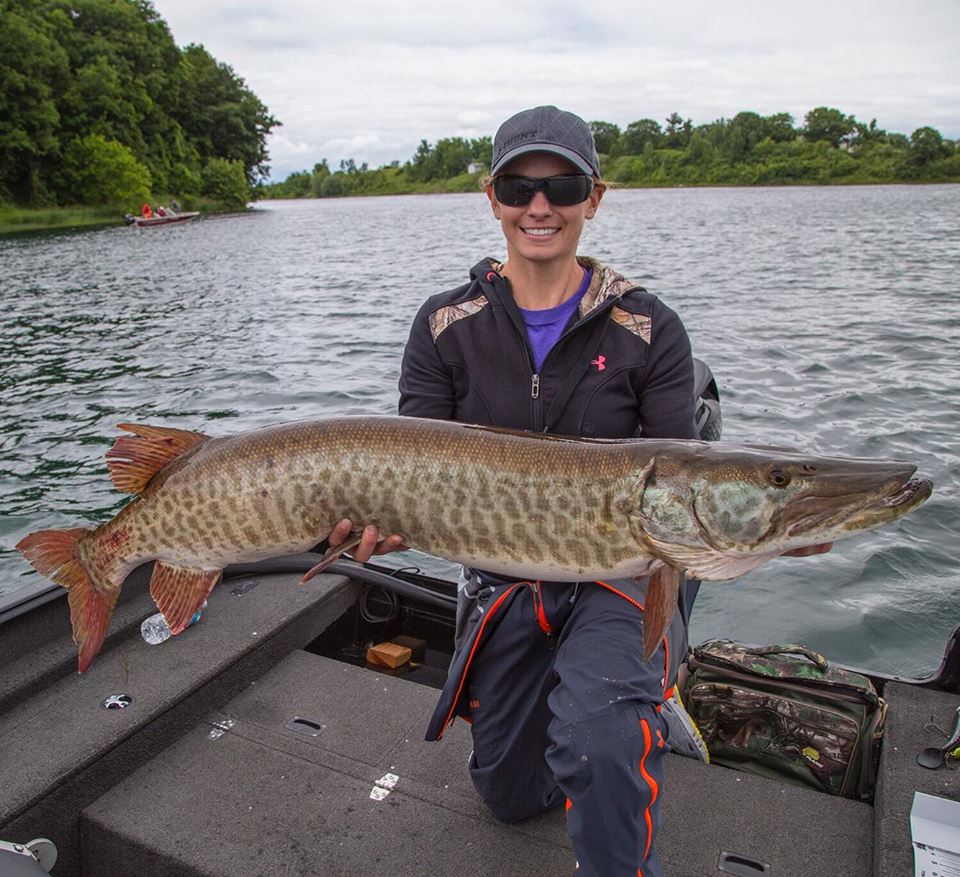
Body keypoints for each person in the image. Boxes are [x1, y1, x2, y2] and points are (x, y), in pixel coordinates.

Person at [327, 105, 829, 876]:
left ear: (594, 196)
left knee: (597, 741)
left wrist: (776, 525)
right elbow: (410, 464)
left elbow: (683, 490)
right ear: (491, 198)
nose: (540, 205)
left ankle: (627, 709)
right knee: (509, 792)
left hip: (623, 572)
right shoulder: (442, 326)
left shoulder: (649, 327)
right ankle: (614, 702)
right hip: (504, 580)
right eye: (518, 186)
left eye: (562, 184)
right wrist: (381, 521)